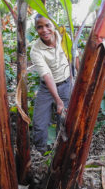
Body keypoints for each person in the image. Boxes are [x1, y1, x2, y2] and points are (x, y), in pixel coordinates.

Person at [30, 14, 79, 154]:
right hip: (47, 87)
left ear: (53, 25)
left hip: (66, 84)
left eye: (47, 25)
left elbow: (74, 57)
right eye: (40, 27)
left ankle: (60, 151)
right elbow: (47, 75)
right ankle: (40, 153)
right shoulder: (36, 50)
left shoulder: (64, 37)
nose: (44, 30)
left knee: (64, 120)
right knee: (39, 123)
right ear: (36, 29)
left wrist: (79, 80)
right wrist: (57, 100)